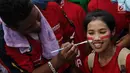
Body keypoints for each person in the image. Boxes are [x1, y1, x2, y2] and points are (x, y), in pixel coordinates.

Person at [0, 0, 78, 73]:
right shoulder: (6, 45)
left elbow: (69, 35)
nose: (38, 25)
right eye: (30, 27)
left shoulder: (51, 8)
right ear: (13, 28)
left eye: (38, 16)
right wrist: (58, 61)